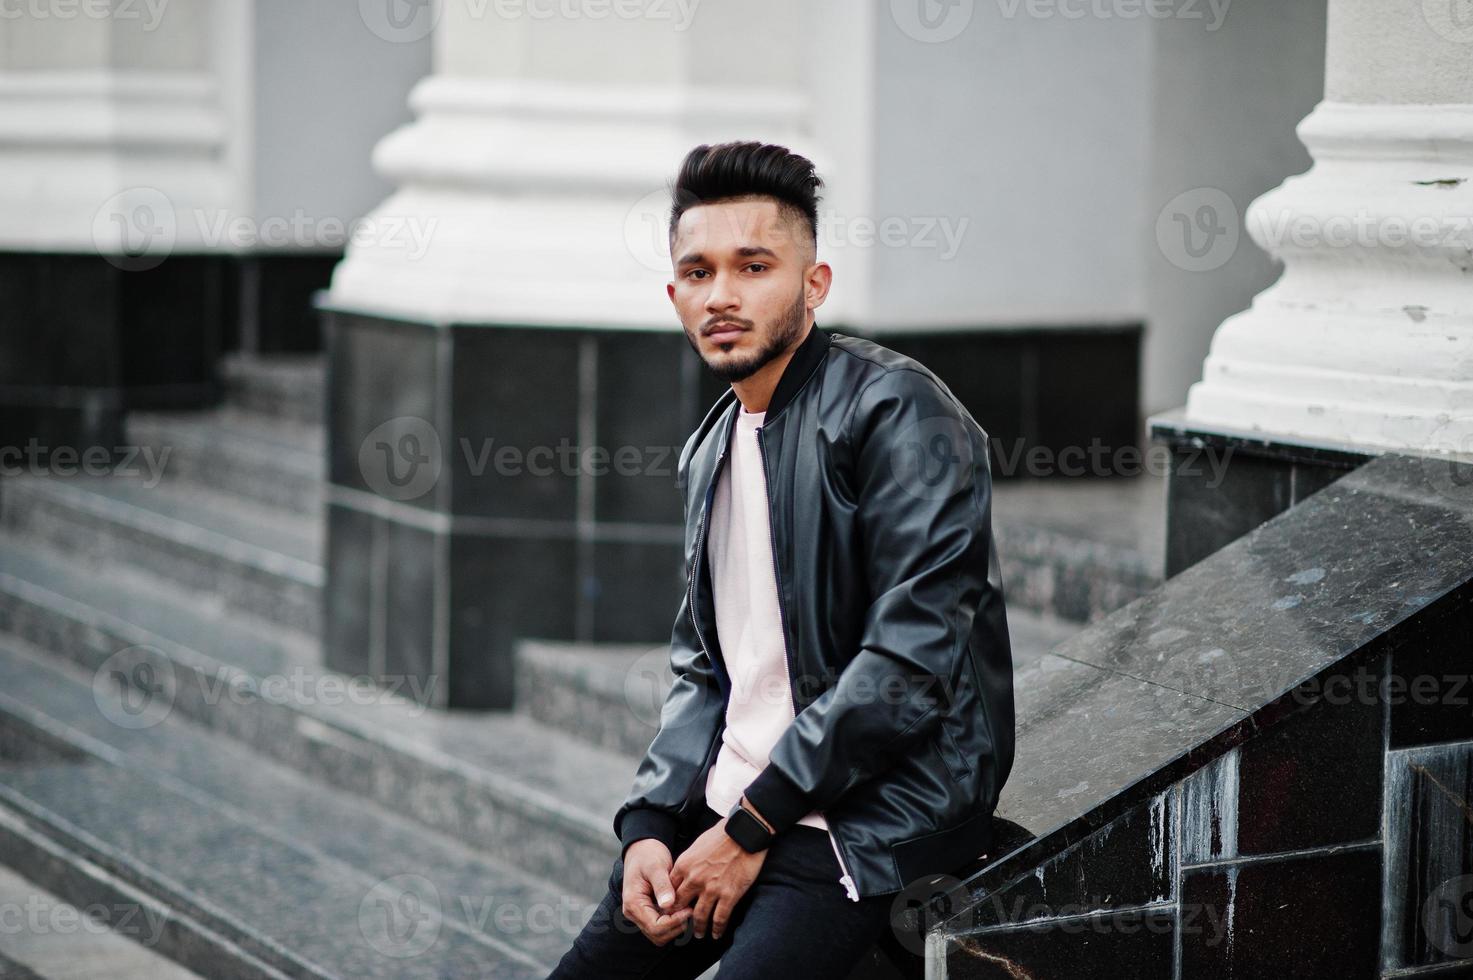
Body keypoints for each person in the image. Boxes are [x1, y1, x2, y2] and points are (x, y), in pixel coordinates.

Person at [548, 140, 1015, 979]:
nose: (721, 296)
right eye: (697, 273)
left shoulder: (898, 412)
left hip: (866, 819)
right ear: (673, 294)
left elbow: (910, 662)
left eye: (753, 266)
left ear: (814, 283)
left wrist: (752, 826)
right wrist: (652, 826)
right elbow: (703, 668)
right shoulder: (711, 446)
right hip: (733, 811)